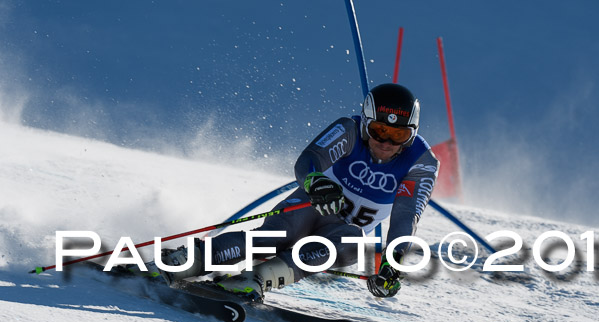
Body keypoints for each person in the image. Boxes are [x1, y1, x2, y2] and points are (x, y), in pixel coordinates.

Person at [160, 83, 439, 300]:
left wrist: (393, 262)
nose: (386, 142)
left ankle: (255, 279)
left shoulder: (421, 162)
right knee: (276, 237)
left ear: (412, 133)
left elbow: (406, 214)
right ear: (366, 122)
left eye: (398, 135)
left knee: (350, 244)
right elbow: (309, 160)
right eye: (379, 130)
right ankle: (190, 260)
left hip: (343, 230)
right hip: (309, 206)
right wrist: (315, 182)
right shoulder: (349, 130)